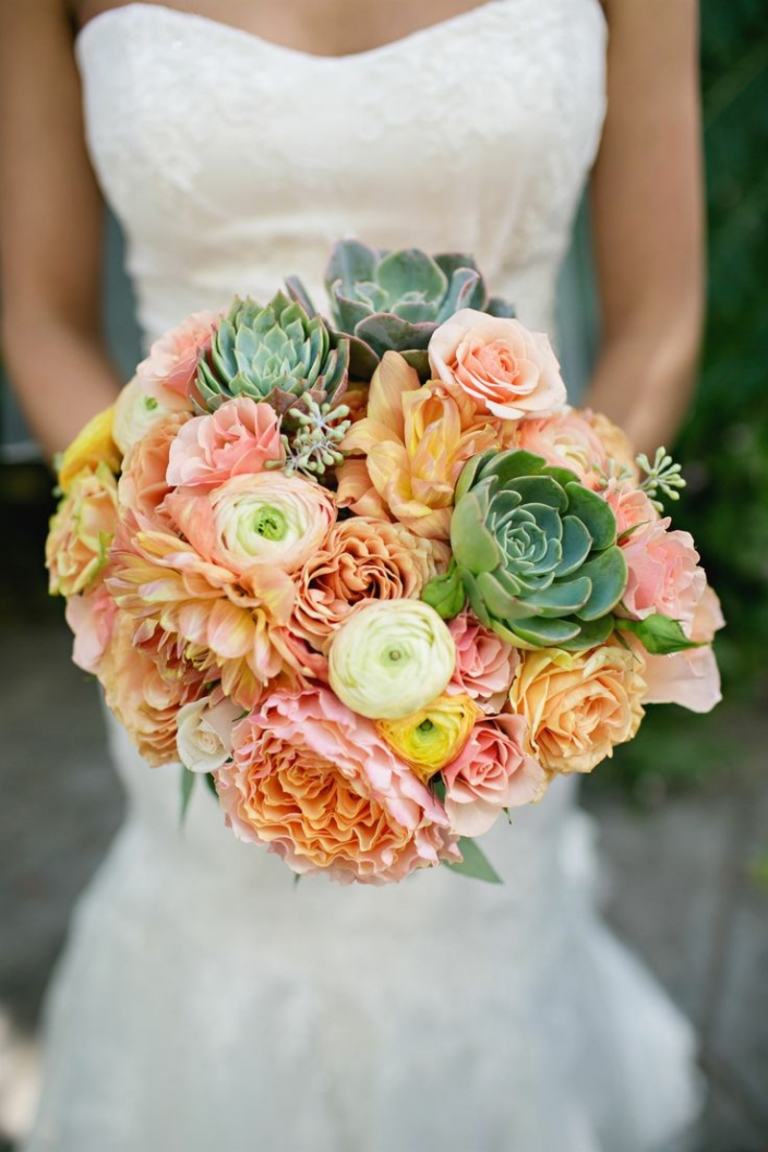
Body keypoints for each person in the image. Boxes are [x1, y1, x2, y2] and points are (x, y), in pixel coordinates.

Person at [0, 2, 704, 1149]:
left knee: (473, 949)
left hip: (494, 649)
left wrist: (522, 593)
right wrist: (164, 548)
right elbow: (36, 307)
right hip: (200, 616)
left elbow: (662, 312)